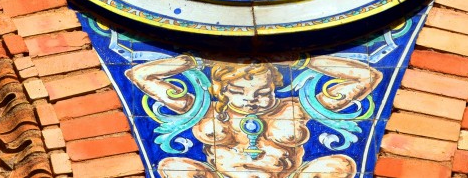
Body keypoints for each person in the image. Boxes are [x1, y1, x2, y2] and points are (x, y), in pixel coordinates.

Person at [127, 54, 380, 178]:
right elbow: (140, 76)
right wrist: (192, 59)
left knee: (340, 166)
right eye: (238, 92)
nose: (250, 99)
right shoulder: (204, 108)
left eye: (262, 92)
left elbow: (367, 77)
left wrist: (306, 61)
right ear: (221, 91)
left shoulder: (297, 107)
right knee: (172, 166)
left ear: (274, 87)